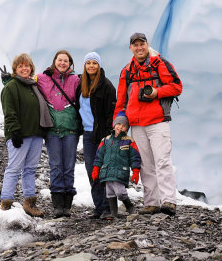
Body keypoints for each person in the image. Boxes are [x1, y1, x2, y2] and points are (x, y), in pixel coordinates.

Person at [114, 32, 182, 216]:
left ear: (146, 45)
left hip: (158, 121)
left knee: (162, 160)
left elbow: (177, 86)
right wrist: (119, 122)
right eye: (135, 45)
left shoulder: (159, 64)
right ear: (131, 48)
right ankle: (151, 202)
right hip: (137, 124)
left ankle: (168, 201)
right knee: (145, 164)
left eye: (142, 44)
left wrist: (156, 93)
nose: (139, 47)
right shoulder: (127, 71)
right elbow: (121, 102)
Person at [0, 53, 53, 217]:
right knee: (14, 169)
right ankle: (6, 204)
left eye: (27, 65)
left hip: (35, 134)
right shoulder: (11, 87)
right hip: (19, 135)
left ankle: (29, 203)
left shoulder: (33, 86)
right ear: (15, 69)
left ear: (31, 68)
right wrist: (14, 131)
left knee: (30, 169)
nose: (24, 68)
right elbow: (9, 112)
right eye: (21, 66)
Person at [35, 50, 80, 218]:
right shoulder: (42, 78)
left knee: (68, 167)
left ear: (70, 64)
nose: (62, 63)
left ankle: (67, 206)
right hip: (53, 130)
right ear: (54, 61)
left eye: (66, 61)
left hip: (71, 130)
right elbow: (25, 82)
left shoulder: (75, 80)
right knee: (55, 167)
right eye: (60, 60)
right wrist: (8, 80)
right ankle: (57, 206)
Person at [75, 52, 116, 219]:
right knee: (92, 171)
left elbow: (111, 112)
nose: (91, 66)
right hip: (87, 134)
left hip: (102, 135)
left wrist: (108, 134)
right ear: (84, 66)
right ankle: (99, 207)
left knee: (104, 172)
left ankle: (108, 209)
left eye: (94, 63)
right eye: (88, 63)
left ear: (99, 65)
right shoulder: (81, 85)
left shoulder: (106, 85)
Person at [91, 113, 141, 219]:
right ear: (114, 125)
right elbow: (99, 156)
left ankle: (129, 206)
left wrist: (135, 171)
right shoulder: (105, 140)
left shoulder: (129, 141)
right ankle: (114, 214)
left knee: (120, 192)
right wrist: (96, 169)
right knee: (110, 193)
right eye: (118, 124)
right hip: (107, 172)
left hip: (120, 172)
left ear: (127, 129)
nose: (120, 127)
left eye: (124, 126)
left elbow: (135, 157)